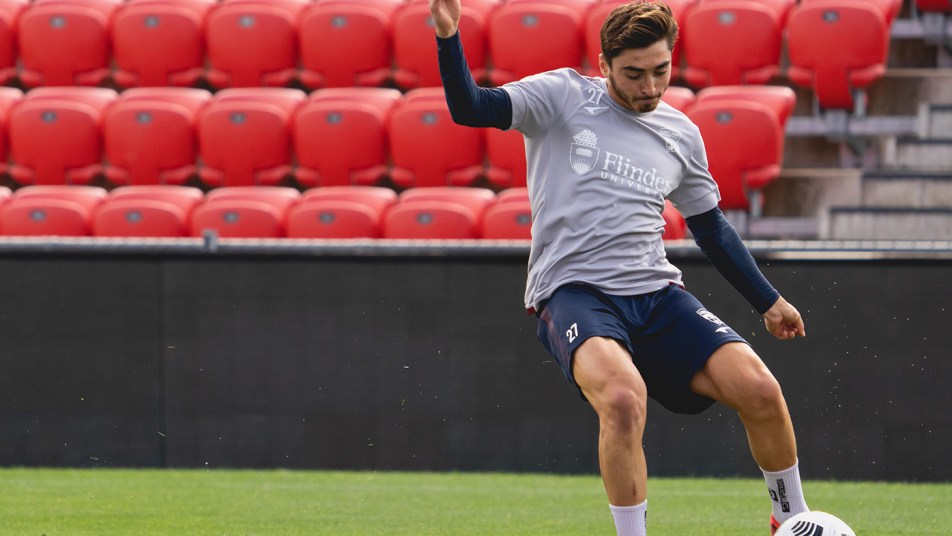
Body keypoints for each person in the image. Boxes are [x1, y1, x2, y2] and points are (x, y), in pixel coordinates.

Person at [428, 1, 809, 534]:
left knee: (762, 391)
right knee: (625, 400)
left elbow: (711, 227)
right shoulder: (560, 97)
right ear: (603, 64)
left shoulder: (680, 132)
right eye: (634, 73)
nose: (650, 86)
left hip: (655, 293)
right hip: (574, 292)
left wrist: (768, 301)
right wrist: (449, 36)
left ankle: (792, 523)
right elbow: (470, 107)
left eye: (661, 70)